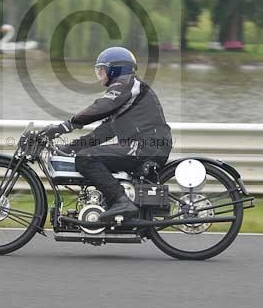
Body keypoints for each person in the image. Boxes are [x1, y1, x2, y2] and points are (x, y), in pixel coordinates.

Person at [40, 46, 173, 220]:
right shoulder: (127, 92)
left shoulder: (126, 83)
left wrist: (65, 127)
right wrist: (71, 148)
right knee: (84, 155)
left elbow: (101, 107)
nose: (99, 74)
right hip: (146, 145)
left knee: (87, 159)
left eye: (102, 69)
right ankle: (118, 203)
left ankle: (121, 203)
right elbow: (105, 130)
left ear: (115, 68)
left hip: (146, 146)